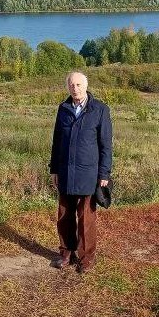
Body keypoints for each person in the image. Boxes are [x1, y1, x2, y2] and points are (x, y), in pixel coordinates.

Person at [48, 70, 112, 273]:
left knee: (86, 218)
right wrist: (54, 169)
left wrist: (104, 174)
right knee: (64, 215)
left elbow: (106, 145)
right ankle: (66, 253)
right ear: (68, 87)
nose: (75, 89)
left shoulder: (100, 110)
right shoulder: (63, 108)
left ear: (86, 86)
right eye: (71, 85)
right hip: (66, 172)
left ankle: (86, 258)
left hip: (88, 173)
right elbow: (57, 142)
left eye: (78, 85)